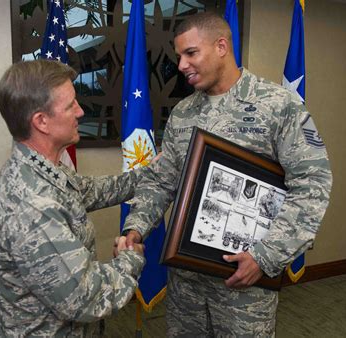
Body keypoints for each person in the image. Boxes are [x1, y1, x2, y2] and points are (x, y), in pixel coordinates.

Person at [123, 12, 333, 336]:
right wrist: (135, 229)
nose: (181, 65)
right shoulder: (183, 112)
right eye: (179, 56)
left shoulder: (278, 105)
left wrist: (266, 257)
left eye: (190, 53)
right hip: (187, 284)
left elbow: (313, 184)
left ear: (221, 46)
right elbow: (161, 180)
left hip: (244, 287)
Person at [0, 59, 147, 337]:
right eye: (71, 105)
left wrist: (156, 170)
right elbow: (86, 298)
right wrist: (129, 258)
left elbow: (93, 190)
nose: (81, 112)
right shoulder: (31, 203)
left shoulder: (42, 167)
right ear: (41, 121)